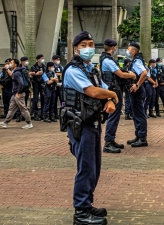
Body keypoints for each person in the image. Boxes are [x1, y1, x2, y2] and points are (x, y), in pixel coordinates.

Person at [62, 31, 118, 225]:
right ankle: (80, 212)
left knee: (94, 167)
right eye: (84, 44)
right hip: (80, 124)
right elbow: (93, 91)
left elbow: (101, 89)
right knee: (85, 168)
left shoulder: (91, 70)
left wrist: (109, 97)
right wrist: (112, 94)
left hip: (93, 122)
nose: (88, 48)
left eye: (91, 44)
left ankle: (87, 204)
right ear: (76, 48)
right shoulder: (73, 70)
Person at [100, 39, 136, 153]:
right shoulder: (108, 60)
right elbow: (120, 74)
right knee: (113, 116)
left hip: (113, 89)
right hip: (113, 90)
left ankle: (111, 140)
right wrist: (130, 75)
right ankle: (108, 142)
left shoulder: (106, 59)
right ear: (113, 48)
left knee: (114, 116)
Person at [0, 59, 33, 129]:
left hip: (19, 94)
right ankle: (5, 122)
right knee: (11, 108)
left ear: (15, 64)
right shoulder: (16, 72)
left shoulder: (17, 73)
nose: (10, 64)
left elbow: (21, 83)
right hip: (15, 93)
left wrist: (18, 92)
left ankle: (29, 123)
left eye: (11, 63)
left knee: (23, 108)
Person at [126, 42, 148, 147]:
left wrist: (137, 85)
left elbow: (144, 73)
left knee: (139, 114)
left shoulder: (137, 61)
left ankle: (142, 138)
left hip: (137, 91)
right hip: (135, 91)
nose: (127, 50)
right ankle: (138, 135)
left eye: (128, 49)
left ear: (133, 51)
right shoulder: (136, 60)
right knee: (135, 114)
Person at [30, 54, 46, 120]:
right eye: (41, 58)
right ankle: (35, 113)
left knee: (43, 99)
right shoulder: (34, 67)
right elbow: (32, 73)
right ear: (38, 59)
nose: (42, 59)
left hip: (42, 84)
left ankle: (43, 113)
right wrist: (36, 73)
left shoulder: (44, 66)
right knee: (35, 99)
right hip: (36, 83)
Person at [15, 57, 31, 122]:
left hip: (26, 88)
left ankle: (24, 116)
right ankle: (18, 115)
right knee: (19, 103)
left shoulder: (27, 68)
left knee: (25, 102)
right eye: (25, 61)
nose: (27, 62)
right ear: (22, 61)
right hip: (21, 88)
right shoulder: (18, 69)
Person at [52, 55, 63, 119]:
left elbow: (63, 73)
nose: (58, 61)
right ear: (53, 60)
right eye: (57, 59)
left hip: (61, 85)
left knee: (62, 100)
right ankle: (55, 113)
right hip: (55, 85)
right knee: (54, 100)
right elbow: (52, 73)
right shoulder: (52, 66)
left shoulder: (61, 66)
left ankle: (62, 112)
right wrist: (58, 74)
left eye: (59, 59)